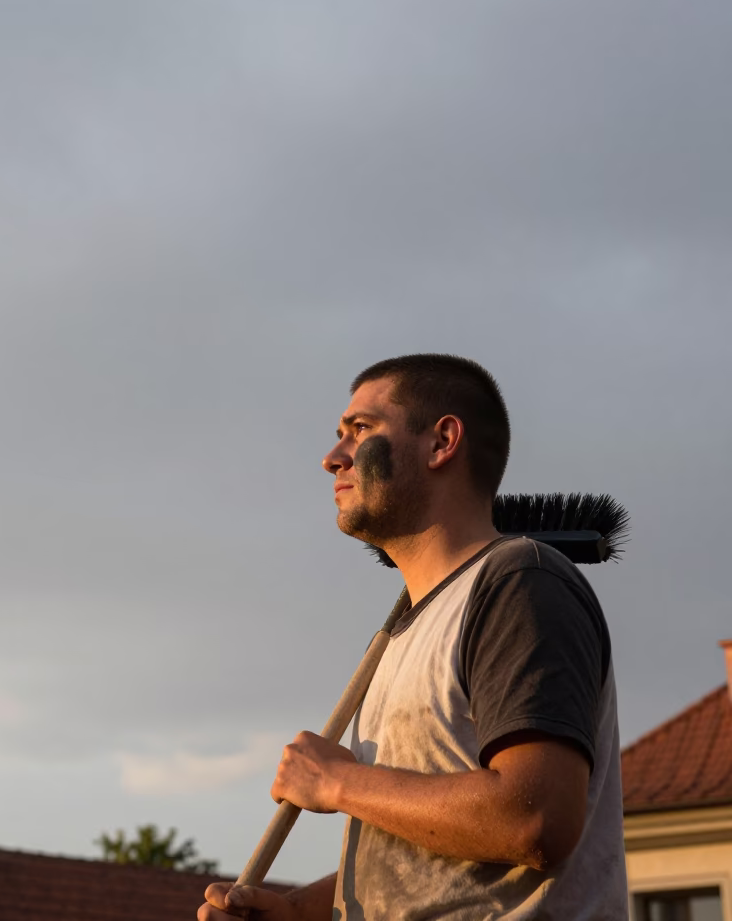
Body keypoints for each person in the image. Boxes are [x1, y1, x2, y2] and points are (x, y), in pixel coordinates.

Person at [198, 354, 627, 920]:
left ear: (442, 441)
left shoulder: (520, 583)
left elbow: (536, 819)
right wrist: (296, 911)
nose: (332, 458)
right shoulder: (405, 631)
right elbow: (436, 853)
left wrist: (338, 781)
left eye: (361, 430)